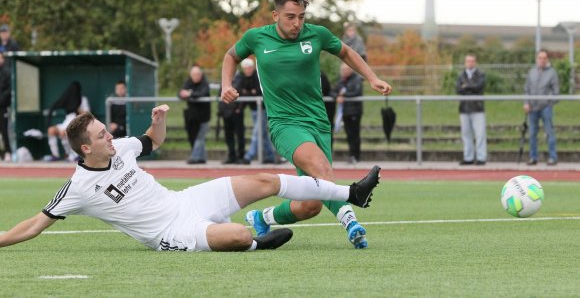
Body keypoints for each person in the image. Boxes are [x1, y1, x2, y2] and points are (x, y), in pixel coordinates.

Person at [0, 105, 381, 252]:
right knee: (239, 236)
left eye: (106, 130)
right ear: (85, 149)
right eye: (102, 135)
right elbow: (34, 226)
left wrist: (158, 121)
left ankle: (352, 191)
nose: (110, 136)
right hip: (170, 233)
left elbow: (154, 140)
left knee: (264, 180)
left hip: (186, 199)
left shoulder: (123, 149)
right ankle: (255, 241)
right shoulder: (78, 188)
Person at [221, 0, 392, 249]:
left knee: (311, 204)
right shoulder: (256, 38)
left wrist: (372, 78)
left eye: (301, 16)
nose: (297, 23)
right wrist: (226, 85)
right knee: (323, 171)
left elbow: (346, 52)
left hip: (319, 123)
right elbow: (231, 56)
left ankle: (261, 217)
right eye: (290, 16)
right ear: (275, 14)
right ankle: (351, 221)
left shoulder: (317, 34)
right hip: (285, 125)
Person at [238, 58, 277, 165]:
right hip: (254, 109)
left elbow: (259, 91)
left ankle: (248, 156)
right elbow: (242, 92)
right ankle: (270, 156)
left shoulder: (258, 77)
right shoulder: (242, 78)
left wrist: (248, 92)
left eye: (249, 68)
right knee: (262, 133)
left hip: (263, 109)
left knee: (256, 133)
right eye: (246, 68)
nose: (248, 70)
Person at [524, 49, 559, 166]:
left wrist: (549, 102)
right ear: (537, 59)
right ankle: (533, 157)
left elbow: (556, 92)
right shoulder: (531, 72)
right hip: (533, 108)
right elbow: (527, 89)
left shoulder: (552, 73)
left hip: (546, 107)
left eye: (544, 58)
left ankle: (552, 157)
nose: (542, 60)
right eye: (540, 58)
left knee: (549, 132)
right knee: (532, 133)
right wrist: (526, 103)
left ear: (547, 59)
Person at [46, 81, 91, 162]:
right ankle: (55, 155)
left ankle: (72, 155)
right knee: (51, 130)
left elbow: (87, 115)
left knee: (65, 132)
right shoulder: (68, 98)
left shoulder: (83, 99)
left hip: (78, 122)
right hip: (67, 120)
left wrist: (78, 109)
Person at [456, 54, 487, 166]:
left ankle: (481, 157)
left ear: (475, 62)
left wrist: (466, 86)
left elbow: (478, 87)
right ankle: (468, 157)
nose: (470, 63)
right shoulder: (461, 75)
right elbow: (459, 89)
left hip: (477, 108)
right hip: (464, 108)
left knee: (480, 134)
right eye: (468, 61)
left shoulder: (480, 74)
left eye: (472, 61)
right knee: (466, 134)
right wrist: (469, 87)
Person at [331, 63, 364, 164]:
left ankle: (356, 156)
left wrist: (344, 95)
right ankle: (351, 155)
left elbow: (357, 92)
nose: (343, 72)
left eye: (345, 70)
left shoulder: (357, 80)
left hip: (354, 111)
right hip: (344, 112)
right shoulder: (341, 81)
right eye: (342, 70)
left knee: (355, 134)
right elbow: (333, 92)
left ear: (350, 70)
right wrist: (337, 96)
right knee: (349, 135)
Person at [178, 65, 210, 164]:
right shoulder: (188, 82)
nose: (196, 76)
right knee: (194, 137)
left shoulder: (205, 83)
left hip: (203, 116)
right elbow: (180, 93)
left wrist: (190, 94)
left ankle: (195, 157)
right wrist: (183, 94)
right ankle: (202, 158)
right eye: (194, 74)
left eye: (198, 74)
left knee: (200, 137)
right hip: (192, 116)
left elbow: (202, 93)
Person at [218, 73, 246, 164]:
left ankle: (241, 156)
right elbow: (220, 96)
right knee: (228, 135)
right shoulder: (223, 81)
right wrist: (221, 111)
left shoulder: (240, 79)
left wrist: (239, 109)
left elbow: (243, 94)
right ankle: (231, 155)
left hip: (236, 113)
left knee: (239, 134)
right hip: (226, 113)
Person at [0, 53, 11, 161]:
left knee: (5, 130)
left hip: (3, 107)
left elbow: (8, 91)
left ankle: (8, 152)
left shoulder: (7, 72)